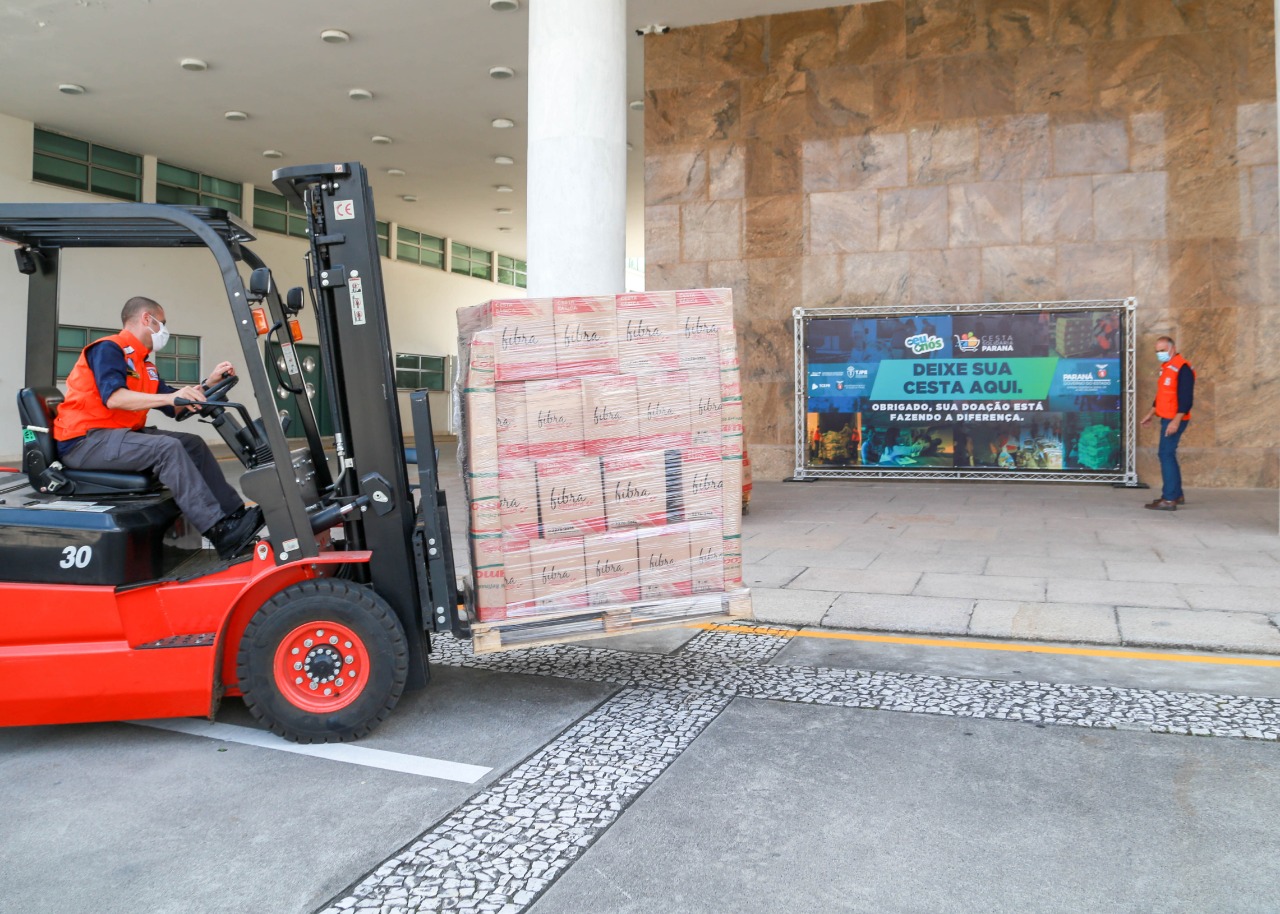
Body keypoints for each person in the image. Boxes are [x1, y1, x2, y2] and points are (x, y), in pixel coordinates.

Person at [52, 296, 263, 557]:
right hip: (85, 441)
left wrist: (208, 384)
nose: (164, 330)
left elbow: (175, 405)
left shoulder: (144, 364)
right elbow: (114, 397)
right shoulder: (109, 349)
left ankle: (234, 517)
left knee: (192, 444)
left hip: (115, 437)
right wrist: (168, 397)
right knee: (167, 448)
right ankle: (219, 531)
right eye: (161, 323)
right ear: (146, 319)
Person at [1140, 335, 1195, 510]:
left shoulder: (1182, 368)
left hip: (1174, 419)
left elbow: (1186, 399)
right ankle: (1176, 494)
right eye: (1157, 351)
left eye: (1162, 351)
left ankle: (1169, 498)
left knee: (1165, 454)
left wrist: (1176, 421)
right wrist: (1150, 413)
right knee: (1168, 454)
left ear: (1172, 348)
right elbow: (1162, 396)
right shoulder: (1166, 367)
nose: (1160, 354)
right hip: (1166, 417)